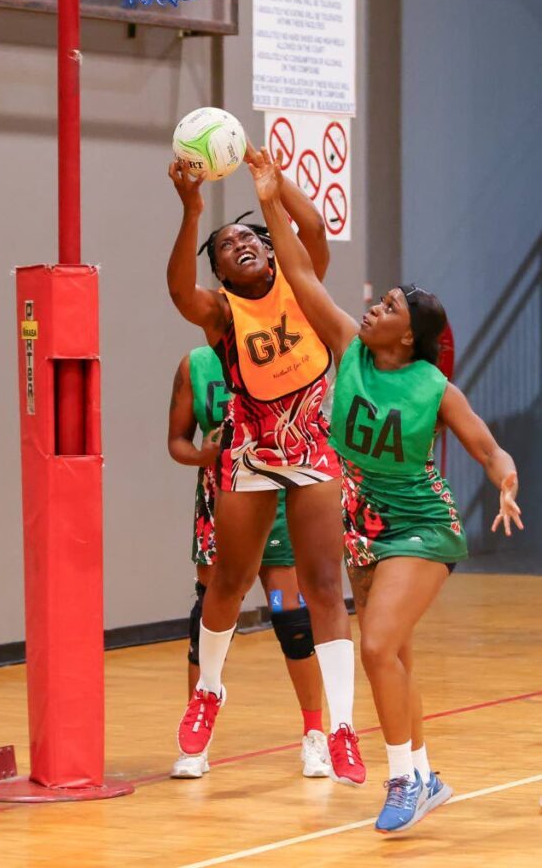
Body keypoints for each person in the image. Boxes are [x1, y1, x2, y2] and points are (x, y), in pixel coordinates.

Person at [246, 145, 524, 835]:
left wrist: (505, 480)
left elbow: (486, 446)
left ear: (409, 335)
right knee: (393, 656)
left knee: (374, 647)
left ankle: (402, 779)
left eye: (390, 306)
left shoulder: (433, 387)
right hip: (362, 525)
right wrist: (270, 196)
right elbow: (300, 271)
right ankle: (425, 771)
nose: (373, 308)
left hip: (422, 525)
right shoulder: (345, 345)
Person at [166, 151, 365, 786]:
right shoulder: (222, 316)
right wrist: (194, 211)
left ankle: (338, 726)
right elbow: (177, 290)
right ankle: (210, 691)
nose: (241, 244)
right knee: (226, 581)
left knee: (323, 588)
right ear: (220, 272)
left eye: (250, 235)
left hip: (312, 449)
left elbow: (314, 235)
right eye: (226, 245)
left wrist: (275, 192)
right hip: (249, 456)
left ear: (269, 251)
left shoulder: (300, 285)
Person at [168, 344, 330, 779]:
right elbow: (176, 443)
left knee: (288, 615)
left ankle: (315, 735)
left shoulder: (282, 351)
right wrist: (203, 454)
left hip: (276, 497)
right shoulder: (196, 364)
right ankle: (199, 739)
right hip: (221, 499)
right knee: (209, 613)